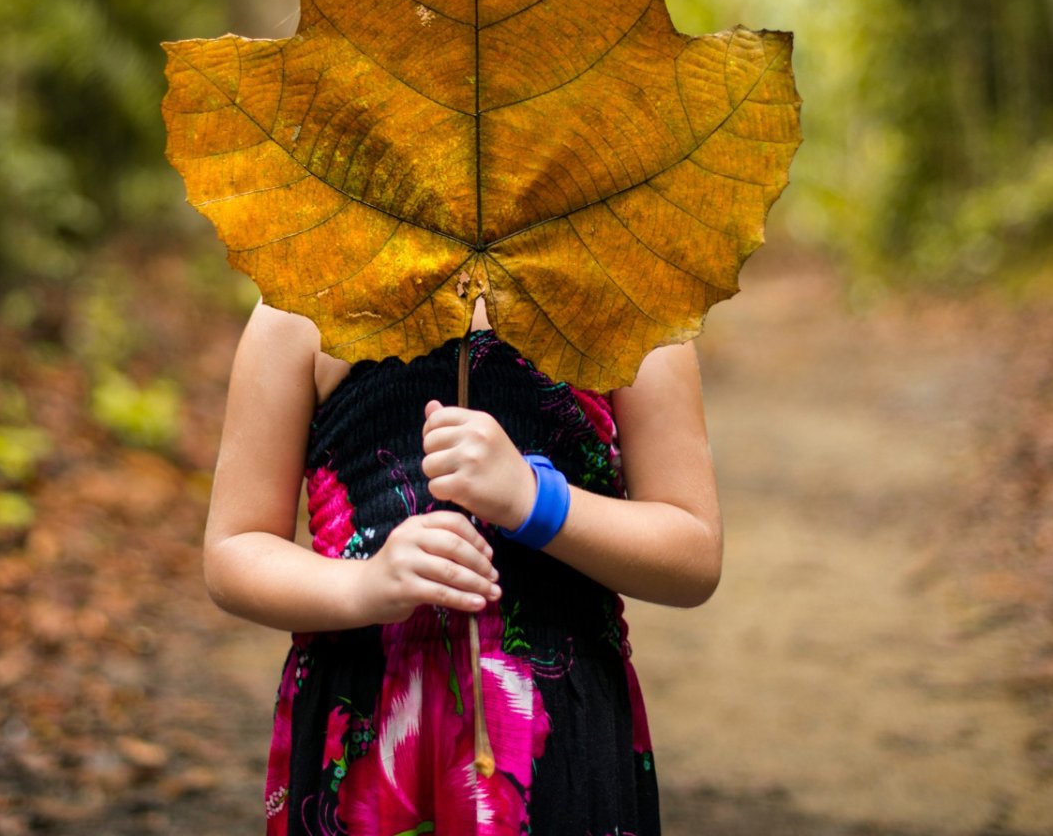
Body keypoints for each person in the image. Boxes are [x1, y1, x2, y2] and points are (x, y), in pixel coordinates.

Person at [202, 292, 721, 836]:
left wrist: (533, 499)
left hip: (557, 721)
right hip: (362, 713)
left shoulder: (628, 298)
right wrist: (364, 586)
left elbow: (693, 554)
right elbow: (235, 548)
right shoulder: (301, 304)